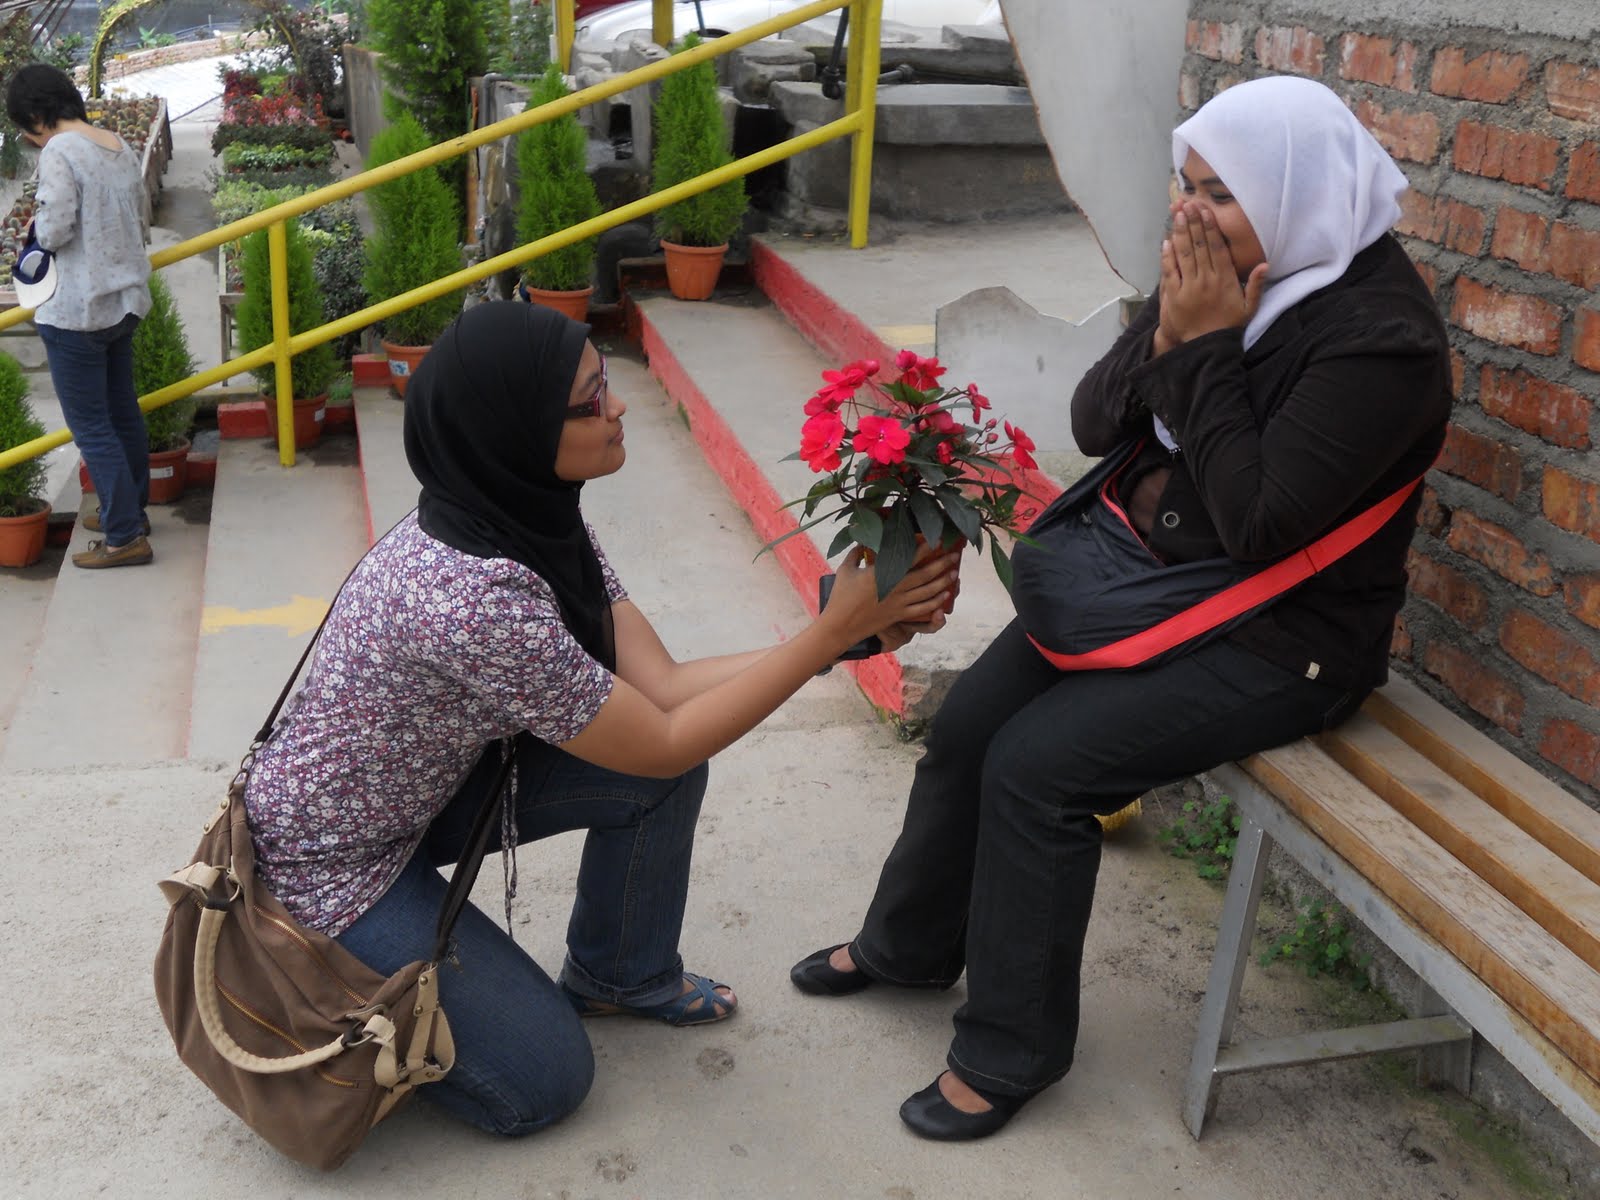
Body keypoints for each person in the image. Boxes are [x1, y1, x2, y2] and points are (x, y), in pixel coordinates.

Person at [789, 74, 1453, 1140]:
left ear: (1295, 194)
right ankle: (907, 948)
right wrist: (1166, 336)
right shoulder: (1216, 268)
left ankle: (1010, 1050)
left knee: (1038, 770)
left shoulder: (1382, 341)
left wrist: (1205, 348)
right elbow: (1097, 424)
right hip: (1147, 584)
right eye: (1187, 185)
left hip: (1284, 634)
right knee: (968, 728)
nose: (1192, 212)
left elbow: (1262, 525)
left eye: (1222, 194)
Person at [241, 302, 959, 1138]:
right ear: (516, 432)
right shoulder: (470, 598)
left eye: (604, 382)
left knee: (657, 776)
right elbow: (661, 738)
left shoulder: (526, 512)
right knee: (546, 1084)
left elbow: (664, 687)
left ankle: (619, 976)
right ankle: (307, 985)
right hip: (329, 869)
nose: (616, 406)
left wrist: (846, 636)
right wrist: (832, 634)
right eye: (588, 401)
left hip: (417, 800)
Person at [5, 63, 153, 569]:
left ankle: (124, 536)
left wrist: (35, 230)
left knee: (91, 426)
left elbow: (55, 229)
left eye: (25, 128)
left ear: (35, 116)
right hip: (122, 302)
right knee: (122, 412)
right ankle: (130, 513)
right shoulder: (115, 143)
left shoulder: (60, 150)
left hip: (76, 311)